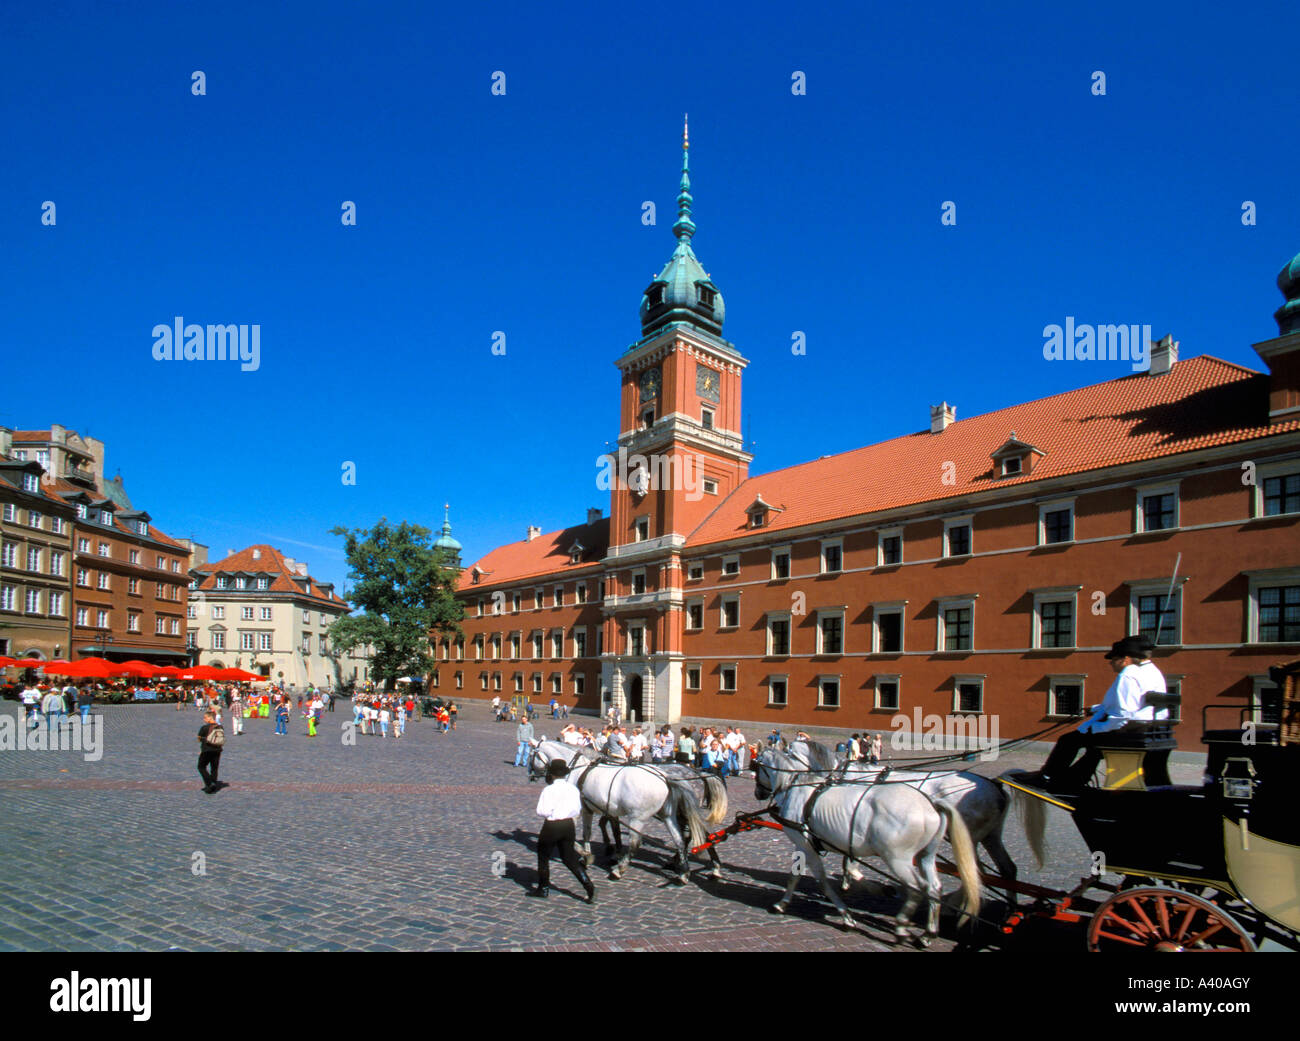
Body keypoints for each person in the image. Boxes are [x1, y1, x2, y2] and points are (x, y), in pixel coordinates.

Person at [1024, 635, 1167, 789]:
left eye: (1113, 660)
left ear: (1125, 659)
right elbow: (1134, 703)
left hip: (1130, 731)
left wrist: (1098, 728)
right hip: (1150, 728)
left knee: (1068, 740)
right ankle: (1074, 779)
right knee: (1092, 748)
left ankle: (1046, 776)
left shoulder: (1129, 674)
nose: (1111, 664)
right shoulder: (1154, 672)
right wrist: (1094, 710)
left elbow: (1123, 714)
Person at [530, 759, 595, 903]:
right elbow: (577, 809)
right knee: (569, 858)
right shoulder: (573, 789)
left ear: (551, 774)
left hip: (552, 826)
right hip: (568, 826)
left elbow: (542, 811)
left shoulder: (549, 790)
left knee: (543, 857)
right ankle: (588, 884)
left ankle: (543, 888)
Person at [197, 709, 225, 793]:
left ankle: (209, 783)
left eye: (205, 717)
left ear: (210, 718)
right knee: (214, 768)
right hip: (217, 749)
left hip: (206, 749)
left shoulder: (204, 727)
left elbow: (199, 738)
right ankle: (214, 785)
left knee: (201, 767)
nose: (204, 719)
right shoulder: (220, 727)